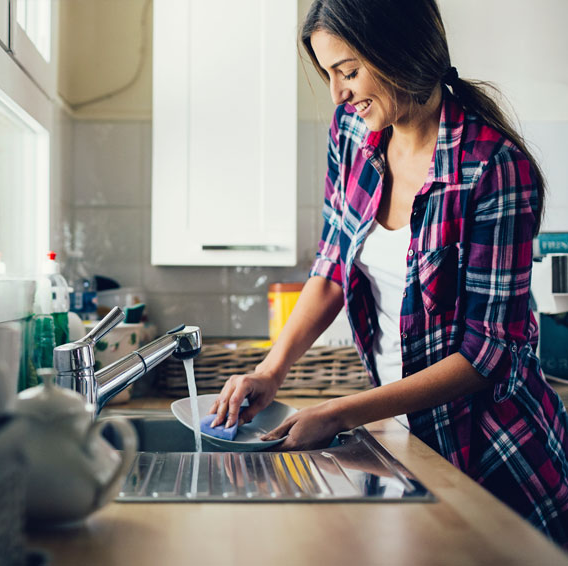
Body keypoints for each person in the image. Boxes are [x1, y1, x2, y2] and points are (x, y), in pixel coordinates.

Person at [208, 0, 568, 547]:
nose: (338, 94)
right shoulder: (351, 135)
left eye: (348, 71)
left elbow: (486, 354)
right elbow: (331, 268)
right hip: (405, 438)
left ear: (400, 52)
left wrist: (338, 414)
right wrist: (271, 372)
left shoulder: (494, 167)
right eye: (329, 75)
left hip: (498, 454)